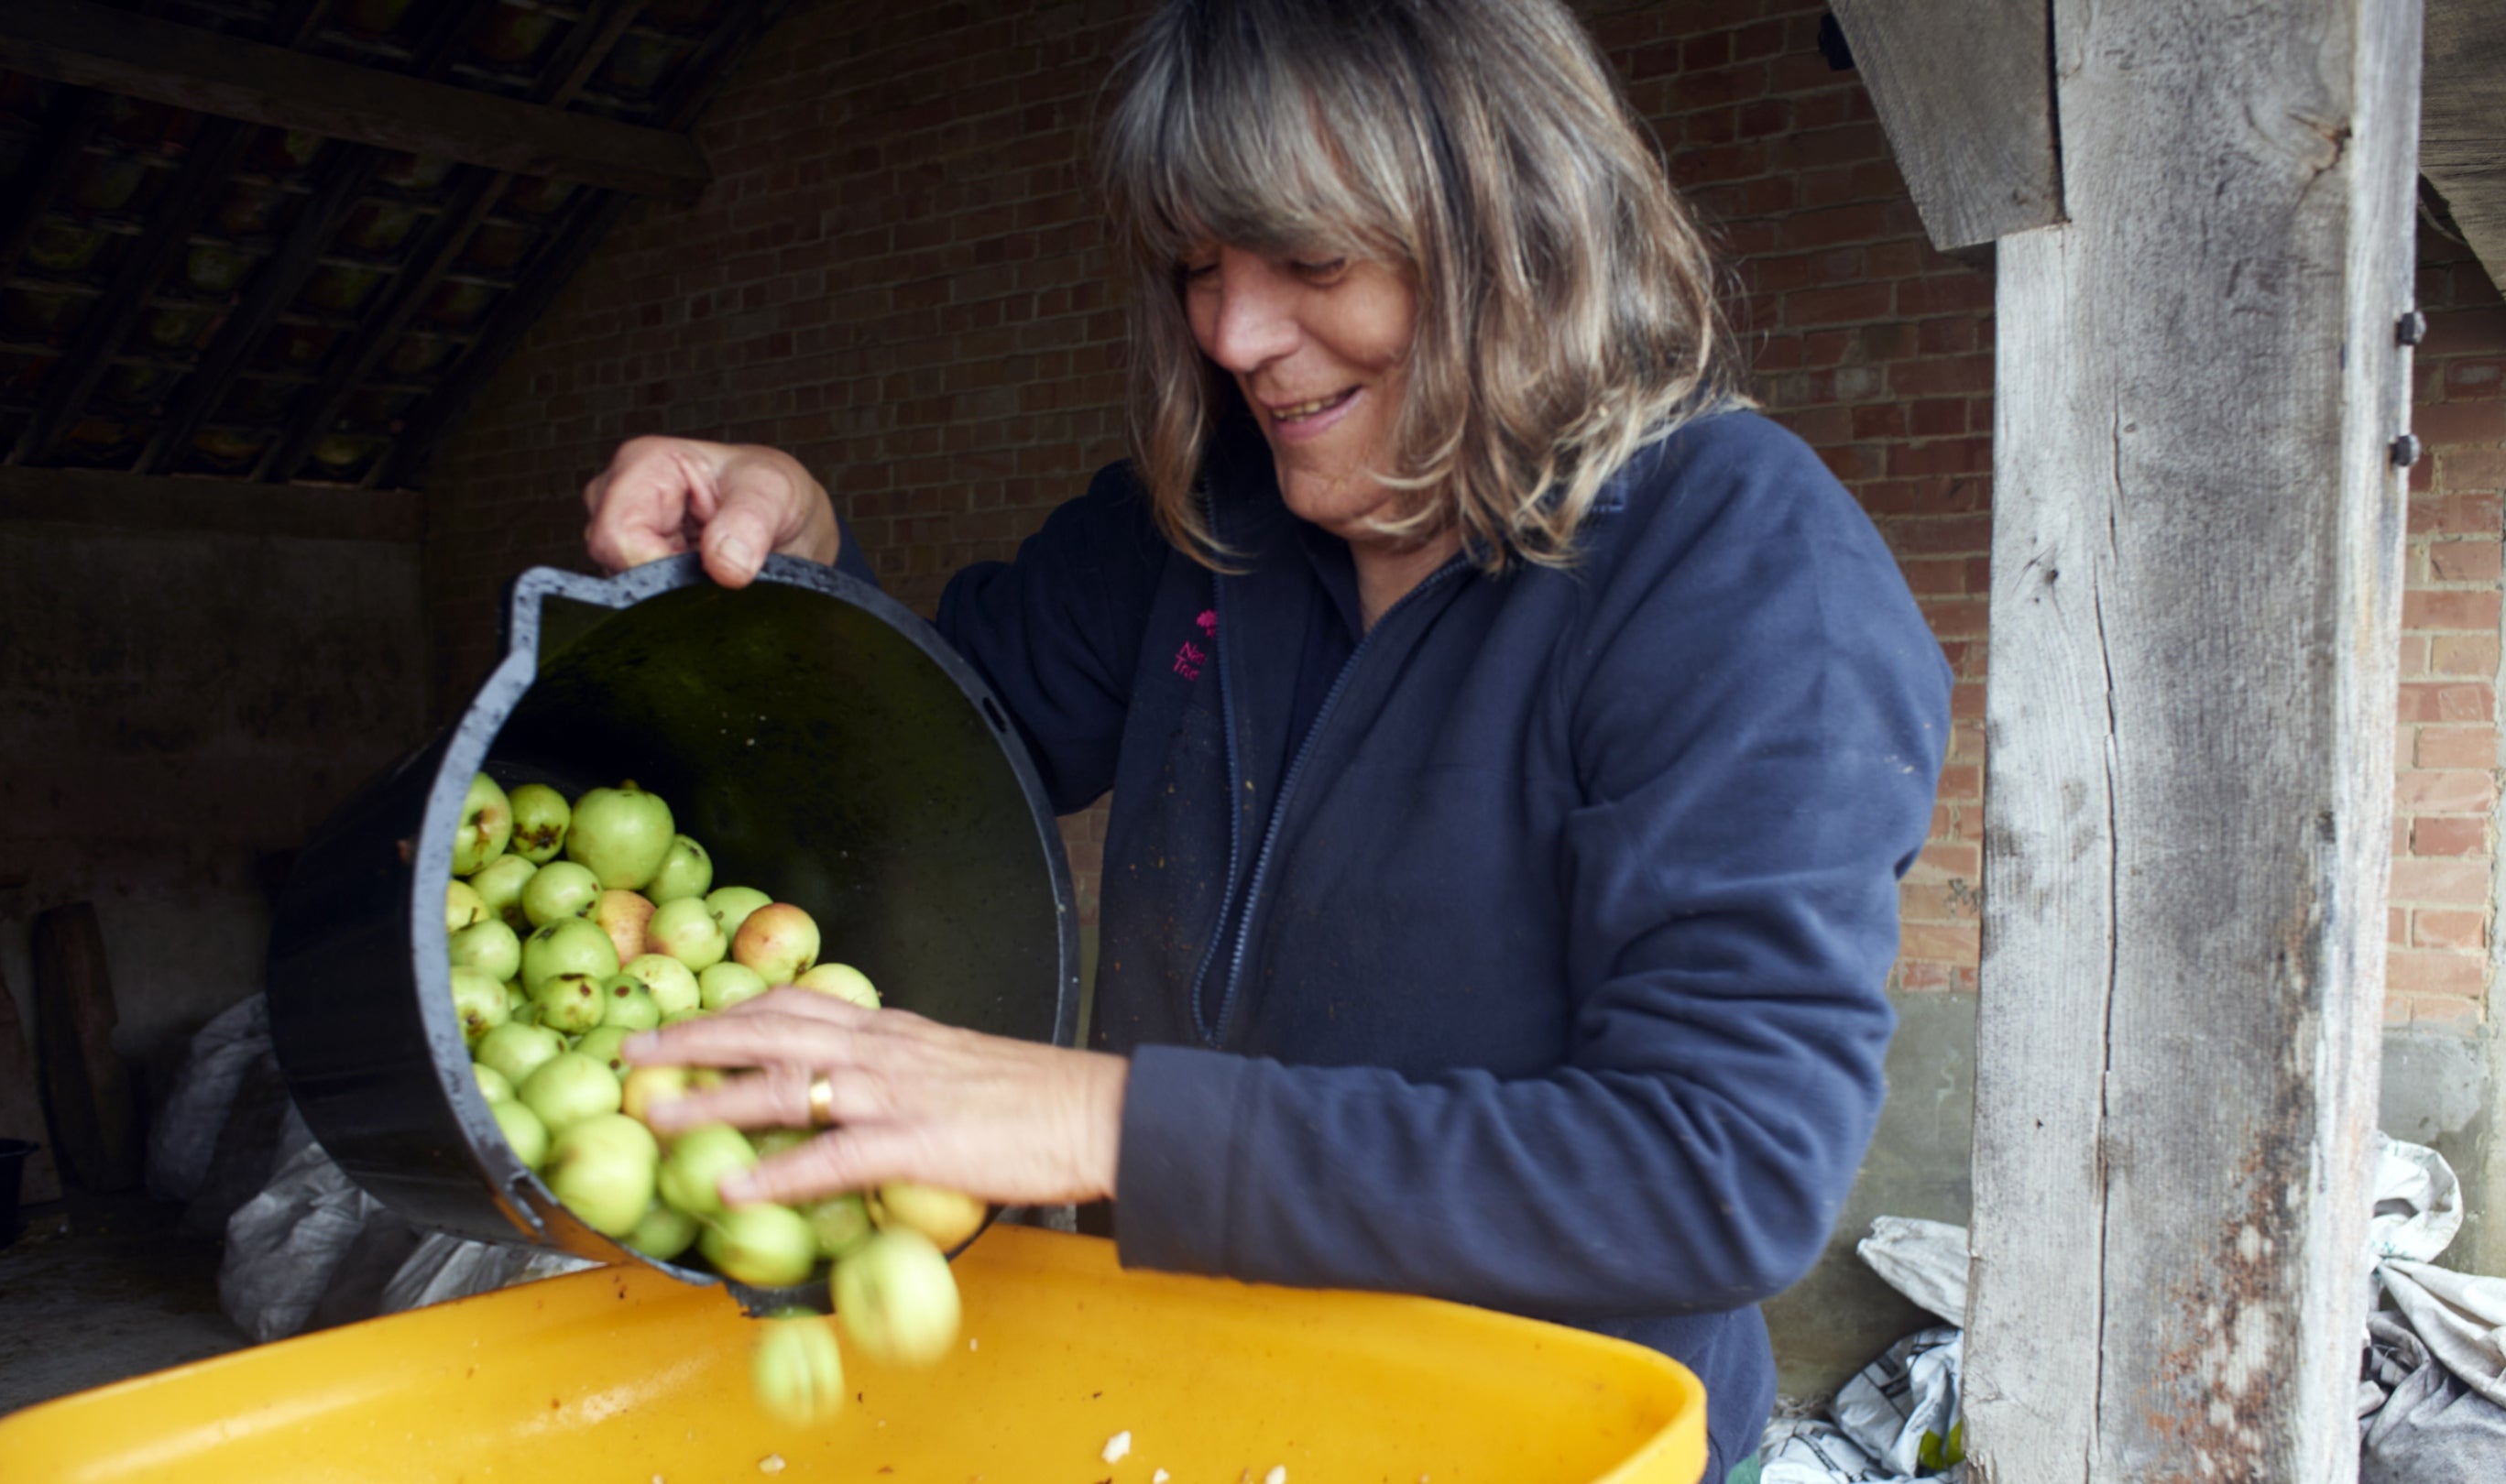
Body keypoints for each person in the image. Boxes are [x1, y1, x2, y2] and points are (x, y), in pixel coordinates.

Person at [592, 0, 1951, 1472]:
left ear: (1517, 224)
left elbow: (1717, 1173)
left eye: (1312, 259)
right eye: (1197, 265)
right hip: (1178, 1422)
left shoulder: (1736, 566)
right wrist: (797, 563)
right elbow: (919, 772)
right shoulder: (1200, 531)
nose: (1234, 334)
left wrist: (1099, 1125)